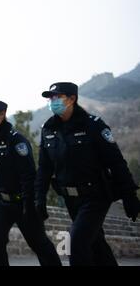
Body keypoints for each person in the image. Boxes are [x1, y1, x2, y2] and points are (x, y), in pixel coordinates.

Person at [35, 82, 140, 266]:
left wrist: (129, 195)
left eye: (57, 97)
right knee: (96, 246)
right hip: (70, 199)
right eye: (50, 98)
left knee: (74, 244)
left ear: (72, 99)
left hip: (95, 196)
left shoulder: (93, 125)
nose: (53, 101)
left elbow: (116, 162)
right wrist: (39, 198)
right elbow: (44, 168)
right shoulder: (48, 129)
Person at [0, 100, 62, 266]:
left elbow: (28, 175)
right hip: (0, 202)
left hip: (23, 201)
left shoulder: (16, 140)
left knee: (38, 242)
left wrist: (29, 206)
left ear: (2, 114)